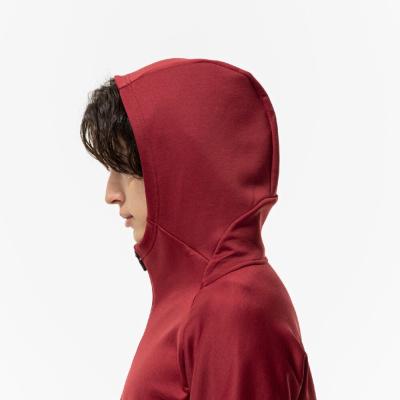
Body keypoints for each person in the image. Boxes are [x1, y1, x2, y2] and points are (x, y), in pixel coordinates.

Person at [80, 57, 317, 399]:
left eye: (126, 169)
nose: (111, 194)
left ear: (181, 170)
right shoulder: (198, 297)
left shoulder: (232, 306)